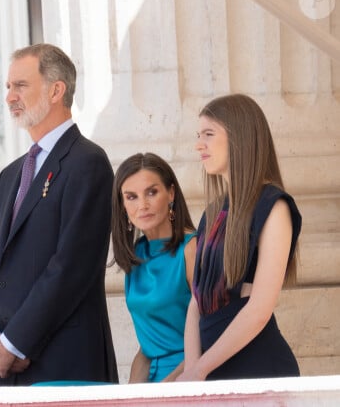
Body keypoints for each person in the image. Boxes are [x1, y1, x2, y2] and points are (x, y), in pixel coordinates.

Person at [0, 43, 118, 386]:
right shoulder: (9, 176)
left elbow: (70, 268)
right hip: (8, 373)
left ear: (56, 90)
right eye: (8, 87)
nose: (10, 97)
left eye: (20, 86)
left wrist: (14, 341)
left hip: (65, 365)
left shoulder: (88, 163)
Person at [178, 94, 302, 381]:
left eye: (209, 134)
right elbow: (197, 302)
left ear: (240, 137)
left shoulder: (274, 206)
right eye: (199, 135)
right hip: (211, 372)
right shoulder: (212, 213)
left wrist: (200, 369)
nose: (199, 144)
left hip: (258, 369)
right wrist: (194, 370)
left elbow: (259, 308)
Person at [111, 152, 196, 383]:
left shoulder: (192, 250)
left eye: (151, 192)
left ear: (171, 193)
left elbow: (214, 334)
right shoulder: (136, 255)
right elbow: (147, 349)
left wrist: (165, 391)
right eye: (131, 197)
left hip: (192, 378)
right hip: (152, 383)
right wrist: (132, 398)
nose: (143, 205)